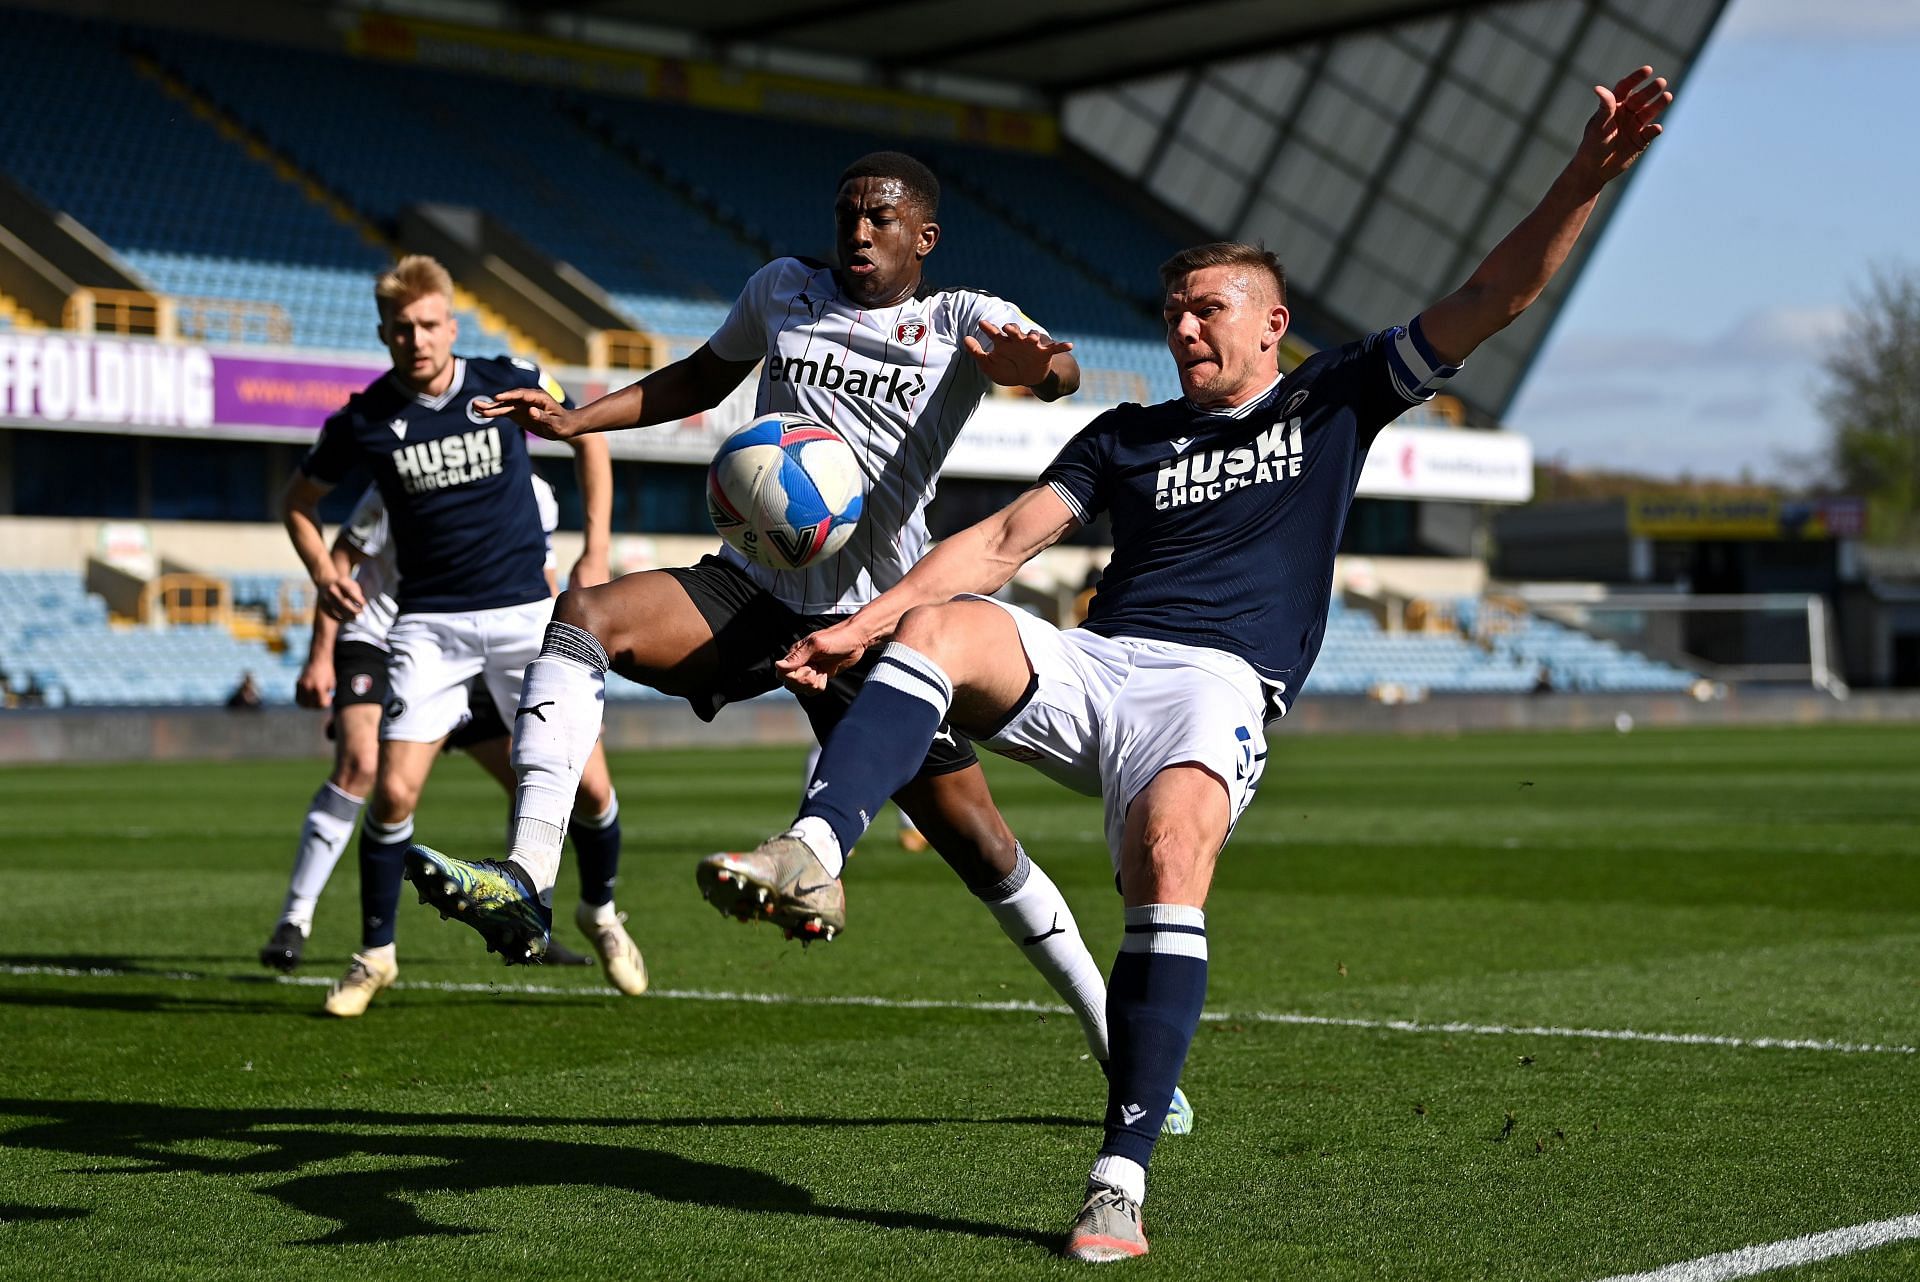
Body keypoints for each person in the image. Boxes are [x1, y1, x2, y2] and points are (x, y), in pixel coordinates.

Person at [706, 69, 1672, 1262]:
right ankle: (813, 848)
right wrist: (869, 617)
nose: (1183, 328)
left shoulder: (1335, 399)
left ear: (1272, 323)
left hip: (1216, 689)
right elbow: (1005, 541)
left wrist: (1582, 177)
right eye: (1172, 312)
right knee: (936, 630)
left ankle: (1119, 1176)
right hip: (1103, 665)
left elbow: (1492, 294)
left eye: (1208, 308)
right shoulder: (1124, 436)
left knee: (1166, 859)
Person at [403, 152, 1144, 1091]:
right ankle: (527, 880)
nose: (858, 233)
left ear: (925, 237)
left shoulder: (958, 318)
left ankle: (1119, 1048)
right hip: (748, 590)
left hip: (878, 625)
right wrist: (572, 421)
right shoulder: (782, 290)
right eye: (847, 216)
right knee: (584, 613)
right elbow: (701, 380)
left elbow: (1060, 369)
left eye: (880, 218)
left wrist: (1038, 367)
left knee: (983, 847)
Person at [281, 254, 639, 1018]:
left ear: (452, 325)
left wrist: (597, 547)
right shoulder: (364, 420)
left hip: (525, 620)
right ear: (384, 334)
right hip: (430, 627)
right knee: (394, 789)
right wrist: (320, 569)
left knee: (592, 790)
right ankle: (375, 955)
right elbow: (299, 502)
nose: (416, 339)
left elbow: (589, 438)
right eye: (401, 329)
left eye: (428, 325)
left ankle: (600, 912)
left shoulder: (504, 380)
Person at [258, 474, 596, 974]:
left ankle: (527, 913)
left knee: (531, 780)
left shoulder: (533, 493)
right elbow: (343, 558)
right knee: (361, 767)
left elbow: (540, 580)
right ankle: (295, 920)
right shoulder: (407, 472)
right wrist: (321, 654)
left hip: (468, 646)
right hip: (378, 638)